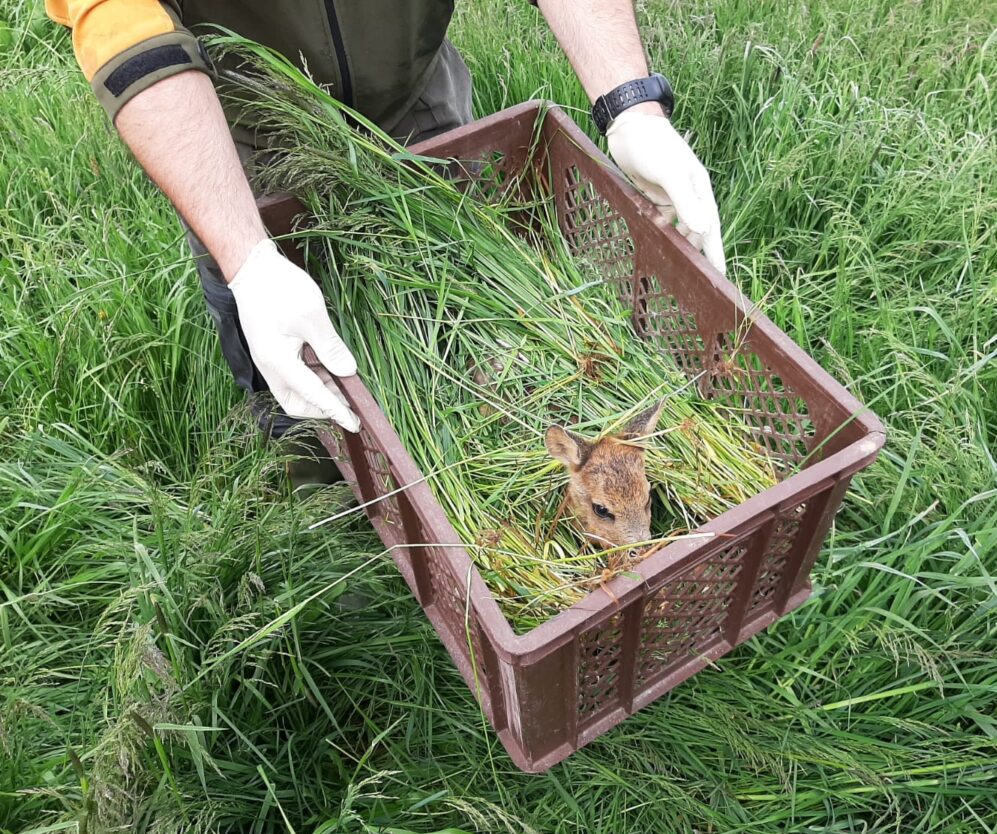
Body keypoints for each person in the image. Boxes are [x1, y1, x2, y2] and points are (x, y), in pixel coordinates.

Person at [46, 0, 725, 484]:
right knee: (280, 334)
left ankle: (463, 433)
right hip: (242, 132)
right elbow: (119, 22)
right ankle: (313, 467)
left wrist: (630, 107)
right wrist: (248, 257)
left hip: (414, 97)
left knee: (455, 298)